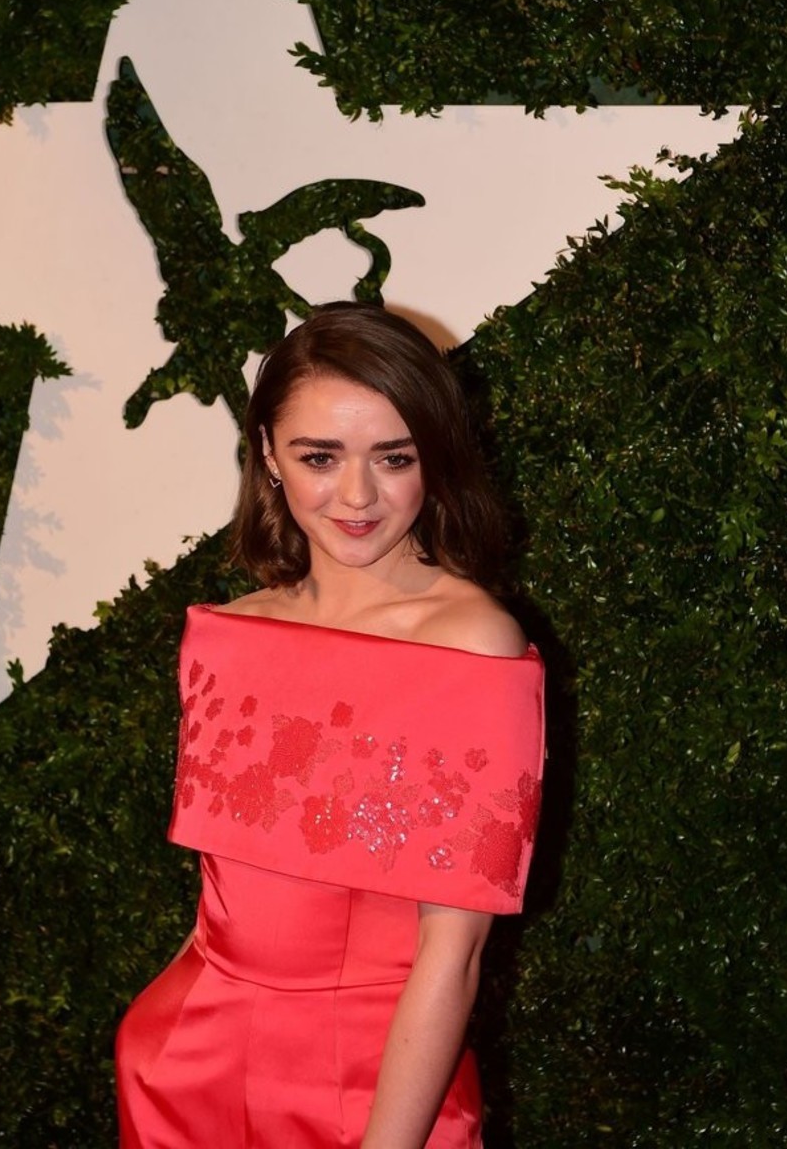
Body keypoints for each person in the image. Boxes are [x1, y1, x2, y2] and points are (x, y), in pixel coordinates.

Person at [116, 302, 545, 1149]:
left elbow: (454, 954)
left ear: (435, 458)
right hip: (180, 1070)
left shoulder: (473, 645)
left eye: (395, 457)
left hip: (374, 1094)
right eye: (320, 456)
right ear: (269, 455)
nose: (357, 496)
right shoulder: (229, 632)